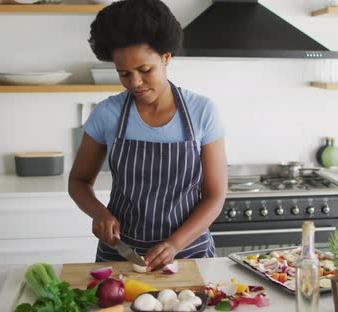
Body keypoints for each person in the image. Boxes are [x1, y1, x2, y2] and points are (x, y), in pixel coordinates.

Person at [68, 0, 227, 271]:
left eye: (144, 70)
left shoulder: (202, 111)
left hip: (188, 255)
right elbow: (79, 181)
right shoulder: (107, 113)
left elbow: (215, 196)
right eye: (124, 74)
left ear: (166, 57)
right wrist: (100, 214)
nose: (135, 83)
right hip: (121, 256)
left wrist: (175, 244)